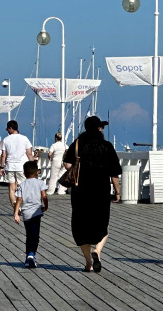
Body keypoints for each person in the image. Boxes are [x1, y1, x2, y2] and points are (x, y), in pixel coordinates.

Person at [64, 115, 121, 272]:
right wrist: (117, 192)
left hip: (80, 191)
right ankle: (98, 251)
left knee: (81, 227)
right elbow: (115, 173)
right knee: (102, 224)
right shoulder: (107, 146)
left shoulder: (77, 144)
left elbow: (67, 164)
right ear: (99, 129)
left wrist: (76, 167)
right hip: (101, 191)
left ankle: (88, 262)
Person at [14, 159, 48, 269]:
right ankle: (32, 254)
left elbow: (19, 199)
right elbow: (44, 196)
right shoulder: (40, 183)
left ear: (24, 173)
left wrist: (16, 213)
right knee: (35, 235)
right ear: (37, 172)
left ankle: (28, 256)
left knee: (29, 235)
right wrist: (46, 206)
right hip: (36, 213)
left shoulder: (22, 185)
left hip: (26, 214)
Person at [0, 120, 34, 208]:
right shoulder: (24, 138)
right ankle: (22, 206)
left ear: (11, 128)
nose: (7, 130)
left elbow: (3, 155)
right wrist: (33, 165)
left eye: (7, 129)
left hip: (10, 167)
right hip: (21, 167)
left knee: (11, 189)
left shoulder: (6, 140)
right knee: (23, 187)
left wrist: (1, 167)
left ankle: (16, 207)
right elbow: (29, 153)